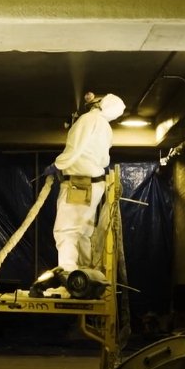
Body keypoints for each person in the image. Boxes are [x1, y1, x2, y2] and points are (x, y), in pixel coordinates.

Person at [44, 91, 125, 275]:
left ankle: (70, 277)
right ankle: (85, 275)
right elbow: (102, 158)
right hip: (93, 184)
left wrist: (57, 165)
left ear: (98, 104)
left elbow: (74, 148)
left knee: (66, 230)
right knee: (82, 232)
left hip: (79, 184)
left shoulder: (88, 120)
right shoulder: (106, 127)